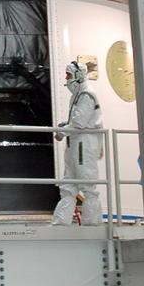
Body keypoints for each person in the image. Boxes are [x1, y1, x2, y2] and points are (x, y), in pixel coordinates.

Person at [51, 60, 104, 226]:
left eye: (68, 75)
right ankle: (61, 222)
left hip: (84, 145)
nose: (66, 78)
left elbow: (79, 123)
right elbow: (76, 122)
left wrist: (61, 131)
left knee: (88, 185)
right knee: (68, 185)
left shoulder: (87, 94)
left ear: (78, 76)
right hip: (75, 144)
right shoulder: (79, 94)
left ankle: (92, 224)